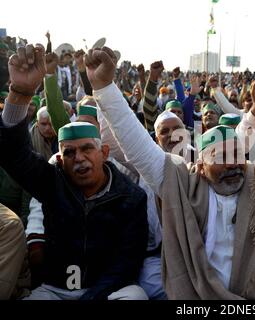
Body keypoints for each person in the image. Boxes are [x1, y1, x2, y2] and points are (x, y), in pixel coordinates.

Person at [86, 42, 255, 299]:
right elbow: (135, 144)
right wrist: (105, 87)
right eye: (221, 156)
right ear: (201, 163)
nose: (232, 164)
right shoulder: (180, 183)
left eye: (237, 155)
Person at [0, 44, 149, 300]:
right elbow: (13, 154)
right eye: (69, 152)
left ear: (103, 152)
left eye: (87, 149)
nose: (78, 158)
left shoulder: (131, 196)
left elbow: (126, 263)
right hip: (55, 290)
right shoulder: (53, 180)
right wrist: (21, 93)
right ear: (60, 157)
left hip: (108, 291)